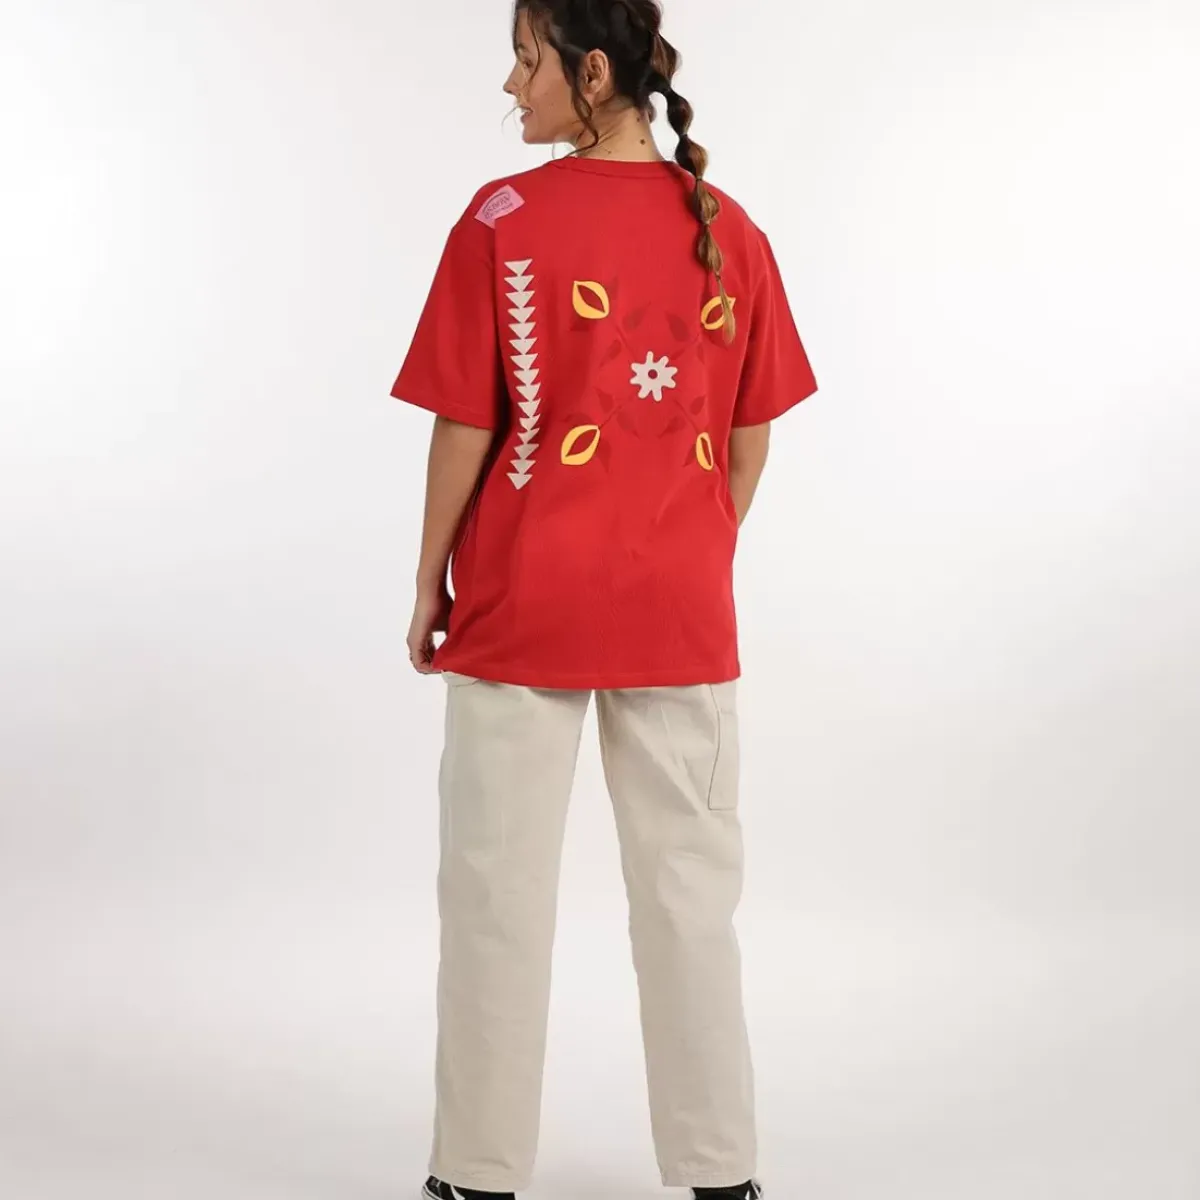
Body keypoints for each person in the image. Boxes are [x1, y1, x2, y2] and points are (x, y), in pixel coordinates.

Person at [390, 2, 817, 1198]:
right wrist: (691, 549)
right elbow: (750, 441)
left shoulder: (502, 221)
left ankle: (476, 1175)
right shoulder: (729, 229)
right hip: (681, 615)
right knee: (690, 901)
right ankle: (722, 1174)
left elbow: (465, 423)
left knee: (495, 896)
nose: (508, 85)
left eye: (524, 60)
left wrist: (429, 578)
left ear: (588, 72)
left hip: (520, 606)